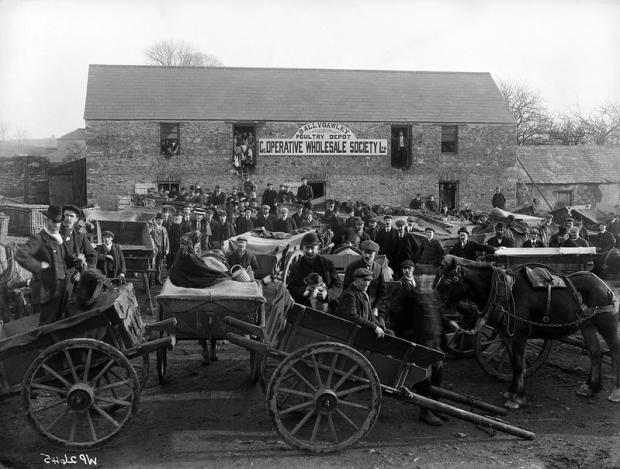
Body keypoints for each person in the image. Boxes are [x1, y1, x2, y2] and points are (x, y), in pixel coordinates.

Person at [389, 259, 445, 426]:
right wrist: (408, 336)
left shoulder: (434, 294)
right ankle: (425, 411)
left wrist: (449, 324)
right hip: (420, 343)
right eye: (423, 278)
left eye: (429, 278)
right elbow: (396, 316)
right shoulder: (408, 295)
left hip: (435, 342)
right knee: (424, 378)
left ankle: (435, 407)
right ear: (418, 278)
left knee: (438, 375)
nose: (426, 281)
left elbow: (439, 314)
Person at [15, 205, 71, 325]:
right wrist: (38, 266)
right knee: (46, 324)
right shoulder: (39, 239)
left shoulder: (60, 240)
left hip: (62, 290)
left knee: (60, 323)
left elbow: (65, 260)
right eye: (54, 222)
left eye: (59, 222)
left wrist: (78, 261)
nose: (57, 225)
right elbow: (20, 254)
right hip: (47, 290)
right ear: (46, 221)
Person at [286, 231, 342, 309]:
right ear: (303, 248)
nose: (309, 251)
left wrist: (327, 294)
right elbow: (290, 288)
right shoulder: (296, 267)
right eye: (307, 248)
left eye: (312, 248)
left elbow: (338, 285)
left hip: (326, 304)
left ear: (318, 247)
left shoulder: (328, 264)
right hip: (304, 306)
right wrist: (304, 289)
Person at [343, 240, 387, 320]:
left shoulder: (378, 268)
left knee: (383, 329)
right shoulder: (352, 267)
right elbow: (347, 290)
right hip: (357, 308)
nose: (367, 255)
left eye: (370, 253)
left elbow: (382, 292)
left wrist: (376, 307)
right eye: (365, 252)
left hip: (373, 308)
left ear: (376, 254)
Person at [339, 268, 388, 338]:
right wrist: (374, 327)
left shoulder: (363, 294)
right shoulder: (349, 295)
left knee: (389, 333)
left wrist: (379, 326)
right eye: (365, 280)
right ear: (357, 280)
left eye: (369, 280)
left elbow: (371, 316)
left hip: (363, 329)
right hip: (355, 332)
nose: (367, 283)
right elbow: (353, 317)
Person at [60, 204, 97, 293]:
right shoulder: (54, 233)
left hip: (73, 280)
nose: (68, 218)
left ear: (76, 219)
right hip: (56, 278)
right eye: (66, 215)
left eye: (71, 216)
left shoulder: (80, 236)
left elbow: (92, 256)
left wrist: (82, 272)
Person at [150, 213, 170, 285]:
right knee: (152, 264)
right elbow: (149, 237)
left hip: (162, 249)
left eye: (161, 220)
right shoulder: (151, 228)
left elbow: (167, 239)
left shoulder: (164, 229)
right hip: (154, 249)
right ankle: (150, 280)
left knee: (159, 265)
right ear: (155, 220)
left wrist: (167, 248)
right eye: (158, 220)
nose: (160, 222)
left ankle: (157, 279)